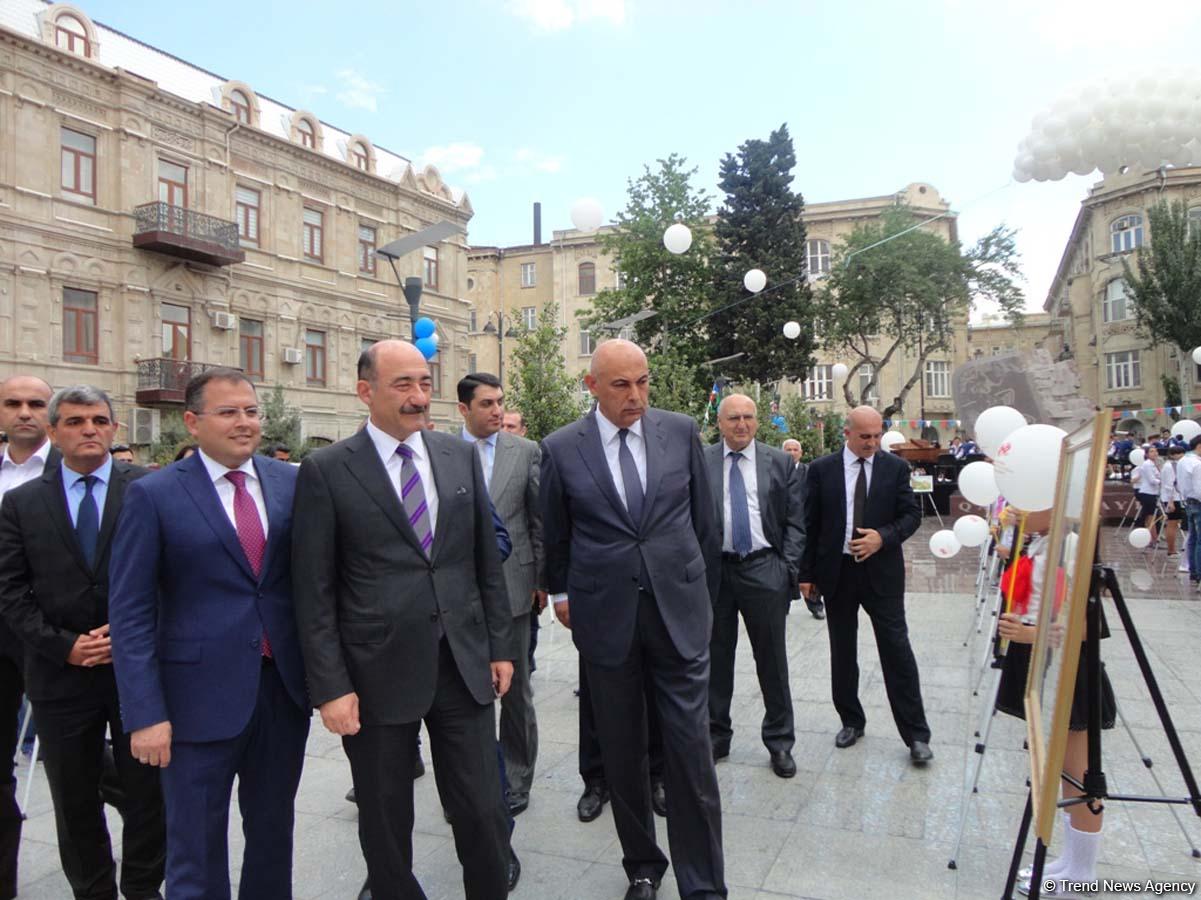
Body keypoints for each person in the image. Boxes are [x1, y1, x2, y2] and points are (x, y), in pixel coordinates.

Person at [292, 340, 515, 900]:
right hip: (375, 676)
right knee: (386, 819)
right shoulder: (326, 470)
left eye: (424, 382)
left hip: (462, 664)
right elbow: (313, 590)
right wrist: (331, 688)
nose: (419, 397)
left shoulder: (455, 455)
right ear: (365, 391)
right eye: (403, 386)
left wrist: (499, 645)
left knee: (485, 809)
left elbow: (483, 561)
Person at [109, 368, 310, 900]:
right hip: (193, 702)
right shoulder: (153, 495)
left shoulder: (291, 483)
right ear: (193, 422)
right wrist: (145, 713)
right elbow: (129, 613)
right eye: (228, 412)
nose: (244, 423)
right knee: (194, 849)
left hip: (280, 693)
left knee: (273, 836)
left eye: (251, 411)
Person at [541, 339, 725, 900]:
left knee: (690, 752)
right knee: (621, 750)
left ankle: (703, 884)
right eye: (622, 385)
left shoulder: (681, 430)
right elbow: (558, 533)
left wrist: (701, 601)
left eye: (643, 381)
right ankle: (643, 866)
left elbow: (706, 526)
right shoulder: (561, 448)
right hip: (607, 619)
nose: (637, 395)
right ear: (593, 386)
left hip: (678, 613)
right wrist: (563, 594)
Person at [0, 385, 166, 900]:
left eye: (98, 419)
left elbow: (174, 577)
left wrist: (134, 633)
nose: (88, 429)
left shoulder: (149, 489)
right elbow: (9, 590)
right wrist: (64, 645)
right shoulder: (22, 503)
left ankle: (142, 888)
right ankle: (92, 891)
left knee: (147, 794)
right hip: (59, 675)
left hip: (135, 669)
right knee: (74, 799)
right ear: (53, 433)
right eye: (73, 422)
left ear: (114, 429)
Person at [799, 406, 933, 764]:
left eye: (877, 436)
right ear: (848, 433)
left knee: (897, 651)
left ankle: (916, 735)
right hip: (837, 573)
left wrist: (882, 538)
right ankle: (851, 721)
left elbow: (912, 515)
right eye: (865, 437)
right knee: (843, 652)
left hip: (881, 573)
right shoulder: (821, 470)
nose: (873, 443)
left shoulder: (895, 468)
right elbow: (810, 524)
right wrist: (807, 575)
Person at [994, 509, 1115, 895]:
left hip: (1069, 669)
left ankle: (1083, 872)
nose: (1018, 508)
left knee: (1080, 772)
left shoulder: (1073, 544)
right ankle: (1070, 860)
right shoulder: (1044, 541)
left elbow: (1084, 627)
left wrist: (1029, 635)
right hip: (1047, 664)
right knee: (1062, 768)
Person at [456, 372, 545, 817]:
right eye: (487, 404)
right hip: (456, 597)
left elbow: (537, 520)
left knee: (516, 692)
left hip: (512, 588)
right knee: (465, 694)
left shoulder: (526, 451)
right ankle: (473, 775)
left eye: (500, 403)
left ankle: (516, 776)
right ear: (463, 410)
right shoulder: (443, 451)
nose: (496, 411)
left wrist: (541, 582)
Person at [706, 395, 805, 778]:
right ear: (720, 422)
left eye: (748, 417)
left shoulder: (779, 462)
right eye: (733, 418)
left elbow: (797, 521)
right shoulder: (701, 461)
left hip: (765, 570)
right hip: (716, 573)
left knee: (772, 662)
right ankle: (716, 736)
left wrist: (786, 569)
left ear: (758, 422)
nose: (741, 424)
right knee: (716, 660)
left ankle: (780, 742)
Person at [0, 374, 55, 899]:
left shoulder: (76, 470)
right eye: (13, 403)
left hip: (54, 639)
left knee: (73, 765)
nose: (24, 413)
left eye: (36, 404)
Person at [782, 438, 823, 619]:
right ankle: (782, 605)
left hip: (806, 528)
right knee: (783, 569)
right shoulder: (774, 471)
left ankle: (815, 603)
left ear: (801, 453)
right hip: (783, 530)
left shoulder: (810, 473)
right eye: (788, 450)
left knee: (811, 569)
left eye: (795, 449)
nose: (792, 453)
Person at [1175, 434, 1201, 587]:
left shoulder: (1182, 461)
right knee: (1199, 540)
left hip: (1188, 501)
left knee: (1192, 538)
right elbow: (1199, 489)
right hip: (1198, 502)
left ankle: (1193, 571)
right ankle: (1198, 572)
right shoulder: (1197, 464)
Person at [1160, 444, 1185, 562]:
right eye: (1178, 454)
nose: (1181, 456)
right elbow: (1169, 485)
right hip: (1171, 499)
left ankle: (1172, 549)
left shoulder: (1174, 465)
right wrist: (1171, 501)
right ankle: (1171, 550)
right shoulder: (1169, 467)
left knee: (1174, 524)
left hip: (1175, 497)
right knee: (1172, 524)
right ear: (1172, 455)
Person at [1134, 445, 1162, 545]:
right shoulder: (1147, 464)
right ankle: (1152, 540)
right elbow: (1152, 480)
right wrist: (1162, 481)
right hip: (1148, 493)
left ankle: (1152, 539)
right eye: (1151, 451)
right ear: (1146, 454)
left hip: (1152, 493)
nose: (1155, 453)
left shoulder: (1154, 464)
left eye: (1156, 451)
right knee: (1151, 517)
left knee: (1151, 517)